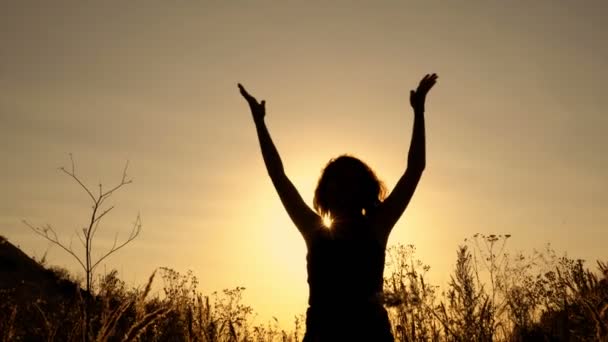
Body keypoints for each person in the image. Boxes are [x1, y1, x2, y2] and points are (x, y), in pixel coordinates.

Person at [238, 74, 437, 341]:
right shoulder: (315, 230)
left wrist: (419, 111)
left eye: (349, 182)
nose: (343, 188)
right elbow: (278, 176)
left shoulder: (376, 226)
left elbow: (415, 169)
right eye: (337, 182)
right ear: (326, 192)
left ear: (363, 190)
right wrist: (260, 124)